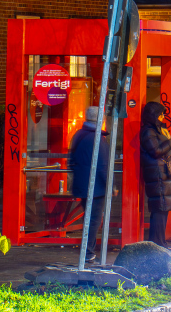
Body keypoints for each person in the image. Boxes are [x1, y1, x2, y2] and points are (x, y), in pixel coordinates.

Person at [68, 106, 114, 260]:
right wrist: (110, 186)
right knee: (94, 219)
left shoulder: (78, 135)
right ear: (100, 119)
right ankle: (87, 251)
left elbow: (71, 161)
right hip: (96, 188)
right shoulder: (97, 139)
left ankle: (87, 250)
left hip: (82, 185)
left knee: (89, 217)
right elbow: (102, 167)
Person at [139, 103, 171, 247]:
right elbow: (156, 151)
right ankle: (157, 243)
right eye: (160, 115)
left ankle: (159, 242)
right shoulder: (147, 131)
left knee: (163, 209)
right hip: (157, 174)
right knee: (160, 208)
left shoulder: (157, 130)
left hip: (162, 173)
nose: (163, 117)